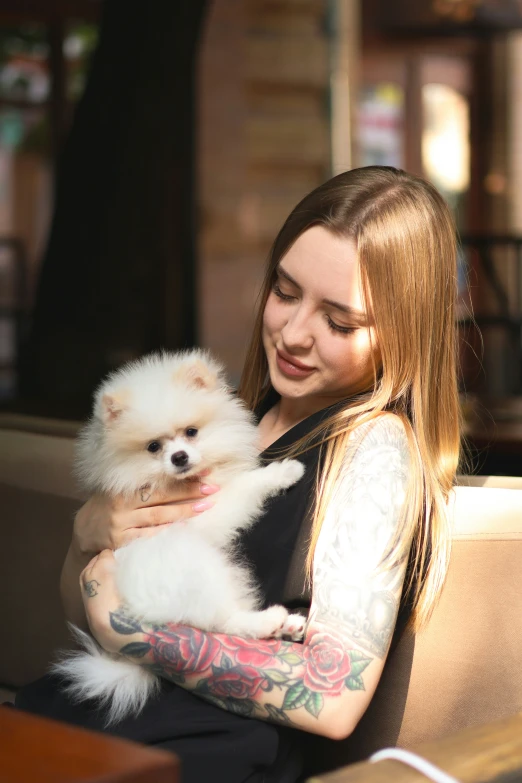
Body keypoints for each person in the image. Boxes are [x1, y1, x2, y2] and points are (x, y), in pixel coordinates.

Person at [15, 166, 461, 782]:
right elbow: (88, 615)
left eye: (339, 322)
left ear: (403, 334)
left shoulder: (375, 448)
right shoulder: (227, 425)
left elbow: (333, 698)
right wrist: (88, 536)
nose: (294, 334)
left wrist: (134, 637)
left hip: (203, 750)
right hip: (113, 714)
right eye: (284, 291)